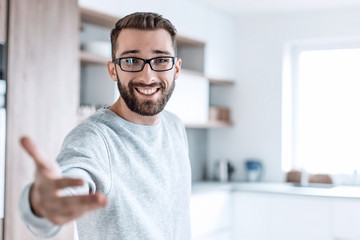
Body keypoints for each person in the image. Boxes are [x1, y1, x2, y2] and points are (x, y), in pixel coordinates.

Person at [19, 12, 191, 240]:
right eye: (131, 61)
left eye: (160, 60)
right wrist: (42, 205)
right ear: (113, 70)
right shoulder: (94, 138)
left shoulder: (175, 126)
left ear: (176, 69)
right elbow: (69, 182)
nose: (147, 76)